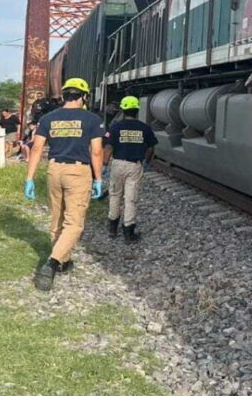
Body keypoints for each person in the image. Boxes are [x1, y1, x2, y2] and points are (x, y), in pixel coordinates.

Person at [24, 78, 104, 291]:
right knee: (74, 223)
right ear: (83, 96)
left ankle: (64, 261)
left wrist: (30, 178)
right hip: (78, 172)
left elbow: (36, 148)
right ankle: (51, 264)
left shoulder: (49, 118)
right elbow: (96, 151)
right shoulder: (91, 119)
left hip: (54, 170)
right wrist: (99, 179)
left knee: (57, 218)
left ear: (65, 95)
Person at [103, 96, 157, 243]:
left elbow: (108, 147)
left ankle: (112, 229)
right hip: (135, 165)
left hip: (118, 164)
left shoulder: (115, 127)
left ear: (123, 109)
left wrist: (104, 164)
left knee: (115, 195)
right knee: (131, 199)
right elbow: (151, 147)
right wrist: (145, 161)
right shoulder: (144, 128)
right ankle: (129, 234)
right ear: (137, 110)